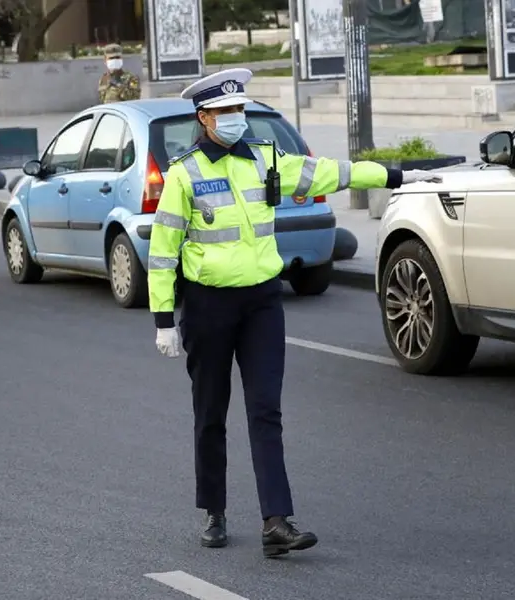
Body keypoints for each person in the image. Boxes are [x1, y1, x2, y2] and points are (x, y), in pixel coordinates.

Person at [147, 67, 443, 558]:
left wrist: (396, 175)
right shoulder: (184, 174)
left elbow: (330, 171)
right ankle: (214, 510)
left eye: (239, 110)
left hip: (263, 301)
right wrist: (163, 320)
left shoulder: (266, 160)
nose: (235, 119)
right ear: (204, 117)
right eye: (225, 112)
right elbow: (163, 250)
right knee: (210, 413)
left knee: (266, 411)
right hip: (208, 305)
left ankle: (276, 522)